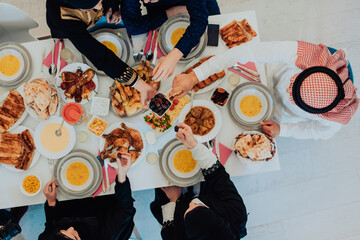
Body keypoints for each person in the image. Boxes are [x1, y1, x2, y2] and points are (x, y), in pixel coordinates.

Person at [170, 41, 359, 140]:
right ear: (308, 70)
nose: (287, 90)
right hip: (266, 77)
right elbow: (248, 51)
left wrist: (283, 130)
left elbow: (318, 132)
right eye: (293, 84)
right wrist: (195, 76)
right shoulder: (306, 55)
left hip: (278, 118)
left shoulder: (335, 117)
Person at [46, 0, 157, 106]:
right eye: (97, 3)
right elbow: (100, 56)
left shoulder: (98, 5)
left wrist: (113, 7)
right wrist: (139, 85)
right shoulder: (63, 19)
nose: (100, 7)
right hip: (70, 33)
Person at [150, 123, 248, 240]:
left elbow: (168, 231)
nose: (192, 203)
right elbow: (219, 177)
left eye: (189, 210)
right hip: (213, 195)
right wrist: (194, 146)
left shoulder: (178, 237)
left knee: (159, 179)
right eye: (198, 206)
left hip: (177, 204)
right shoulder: (237, 213)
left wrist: (173, 200)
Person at [38, 152, 135, 240]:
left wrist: (51, 202)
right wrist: (122, 175)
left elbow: (51, 225)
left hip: (68, 202)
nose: (71, 228)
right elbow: (125, 209)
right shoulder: (107, 236)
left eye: (61, 232)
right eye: (75, 236)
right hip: (100, 203)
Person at [121, 0, 220, 81]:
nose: (145, 1)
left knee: (216, 49)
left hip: (201, 7)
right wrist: (172, 12)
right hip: (162, 11)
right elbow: (133, 26)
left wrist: (174, 56)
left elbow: (199, 21)